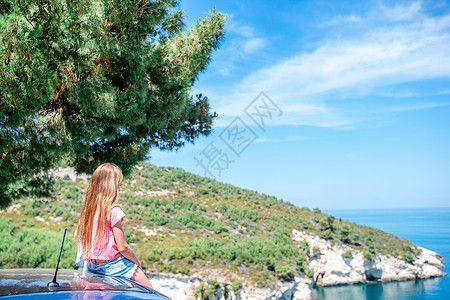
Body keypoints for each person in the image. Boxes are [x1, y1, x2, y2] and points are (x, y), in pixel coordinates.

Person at [74, 163, 153, 289]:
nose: (120, 188)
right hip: (114, 265)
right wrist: (137, 263)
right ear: (111, 186)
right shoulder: (114, 210)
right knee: (151, 292)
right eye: (118, 184)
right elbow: (123, 247)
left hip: (92, 265)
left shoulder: (89, 211)